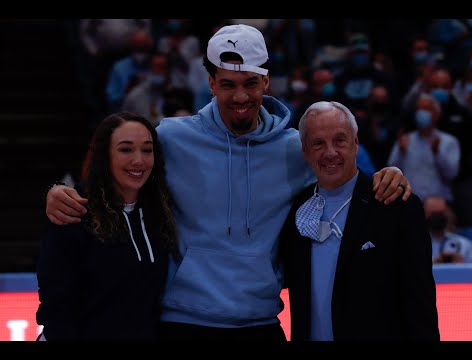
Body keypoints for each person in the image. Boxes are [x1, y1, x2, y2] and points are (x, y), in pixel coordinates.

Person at [44, 24, 411, 342]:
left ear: (266, 81)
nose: (240, 96)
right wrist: (60, 192)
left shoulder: (293, 147)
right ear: (211, 83)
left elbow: (343, 174)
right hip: (182, 322)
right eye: (228, 84)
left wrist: (387, 174)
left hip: (260, 322)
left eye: (251, 83)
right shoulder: (171, 138)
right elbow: (123, 169)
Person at [280, 101, 440, 341]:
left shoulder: (395, 205)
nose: (330, 152)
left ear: (356, 143)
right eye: (318, 143)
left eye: (340, 140)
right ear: (305, 151)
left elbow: (421, 306)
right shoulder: (295, 209)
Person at [36, 111, 177, 340]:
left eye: (147, 150)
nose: (138, 160)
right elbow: (56, 307)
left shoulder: (161, 212)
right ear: (105, 155)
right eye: (126, 149)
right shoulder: (74, 209)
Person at [424, 195, 472, 264]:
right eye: (433, 214)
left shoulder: (464, 245)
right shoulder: (412, 244)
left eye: (440, 213)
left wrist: (462, 265)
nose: (436, 217)